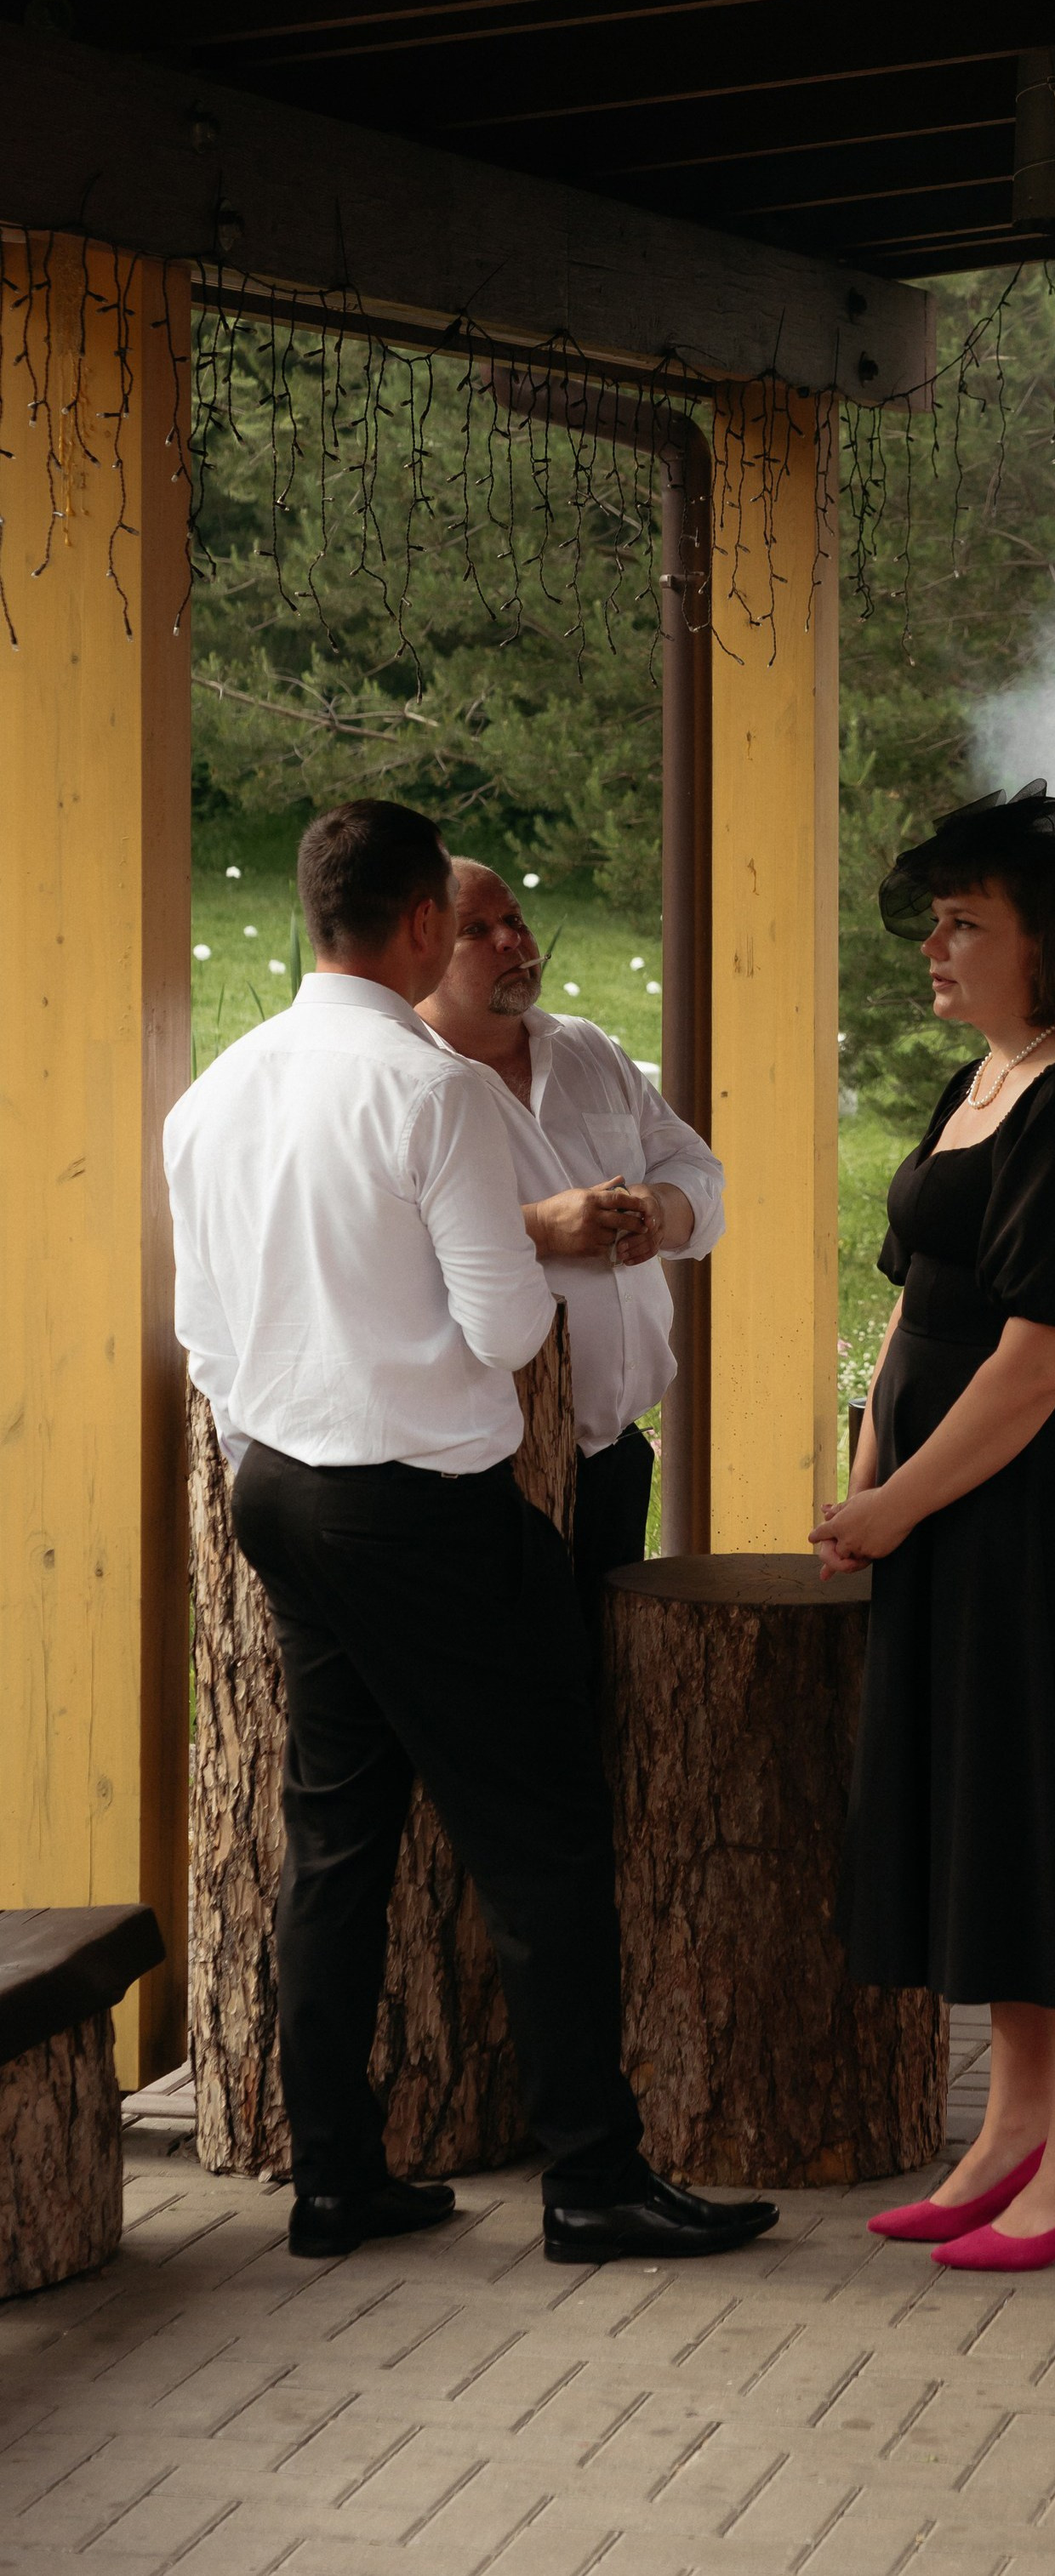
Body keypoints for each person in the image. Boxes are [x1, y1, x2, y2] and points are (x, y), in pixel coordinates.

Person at [165, 799, 775, 2269]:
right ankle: (593, 2178)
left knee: (335, 1840)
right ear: (422, 923)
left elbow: (205, 1332)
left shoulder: (215, 1091)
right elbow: (507, 1328)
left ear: (314, 909)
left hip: (281, 1490)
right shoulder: (428, 1092)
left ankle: (335, 2175)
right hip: (424, 1505)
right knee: (545, 1837)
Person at [811, 782, 1055, 2273]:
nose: (934, 947)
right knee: (992, 1814)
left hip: (1039, 1514)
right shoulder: (978, 1081)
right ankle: (1011, 2131)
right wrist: (868, 1471)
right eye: (934, 923)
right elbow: (916, 1301)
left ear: (1044, 942)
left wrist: (899, 1498)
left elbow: (1040, 1355)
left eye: (964, 924)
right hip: (944, 1508)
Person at [415, 858, 723, 1624]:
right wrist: (540, 1229)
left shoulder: (585, 1047)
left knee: (603, 1679)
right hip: (482, 1471)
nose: (511, 941)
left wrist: (660, 1208)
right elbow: (381, 1242)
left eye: (514, 920)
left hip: (612, 1456)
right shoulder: (407, 1079)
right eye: (476, 930)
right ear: (422, 949)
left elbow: (695, 1167)